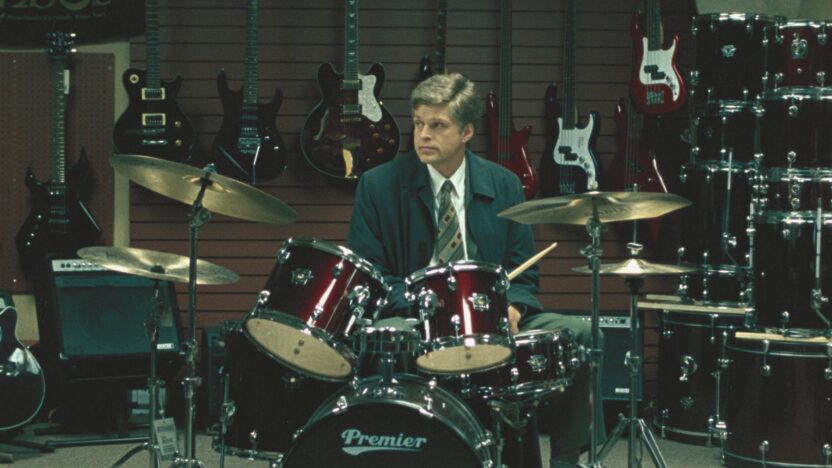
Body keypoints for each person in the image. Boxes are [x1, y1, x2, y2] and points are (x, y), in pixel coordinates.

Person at [347, 72, 603, 468]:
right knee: (387, 338)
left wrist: (512, 307)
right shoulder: (378, 185)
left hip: (491, 318)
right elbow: (373, 278)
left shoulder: (505, 185)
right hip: (416, 319)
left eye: (438, 125)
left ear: (467, 131)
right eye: (418, 123)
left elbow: (523, 273)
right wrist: (432, 307)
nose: (423, 135)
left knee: (583, 335)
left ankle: (566, 461)